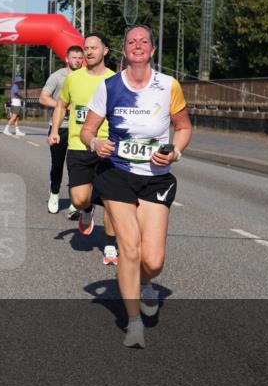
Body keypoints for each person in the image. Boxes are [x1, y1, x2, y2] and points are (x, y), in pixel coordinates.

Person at [81, 25, 192, 349]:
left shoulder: (168, 86)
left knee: (153, 260)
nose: (138, 46)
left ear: (153, 50)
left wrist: (176, 150)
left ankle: (145, 283)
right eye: (132, 41)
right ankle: (133, 322)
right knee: (129, 247)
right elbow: (89, 130)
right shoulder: (109, 86)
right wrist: (95, 144)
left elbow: (183, 127)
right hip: (117, 173)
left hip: (155, 176)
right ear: (125, 51)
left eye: (144, 41)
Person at [48, 34, 118, 265]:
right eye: (86, 48)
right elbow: (62, 104)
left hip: (107, 146)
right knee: (78, 200)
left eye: (93, 48)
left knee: (111, 198)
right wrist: (55, 129)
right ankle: (86, 209)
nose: (88, 52)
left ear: (105, 51)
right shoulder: (73, 79)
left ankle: (110, 245)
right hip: (78, 144)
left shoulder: (115, 79)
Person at [40, 45, 85, 215]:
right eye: (74, 57)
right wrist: (62, 106)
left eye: (80, 58)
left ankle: (76, 200)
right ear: (67, 59)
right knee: (57, 164)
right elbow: (43, 98)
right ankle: (54, 193)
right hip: (60, 127)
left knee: (76, 165)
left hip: (79, 128)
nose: (77, 61)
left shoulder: (85, 76)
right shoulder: (58, 76)